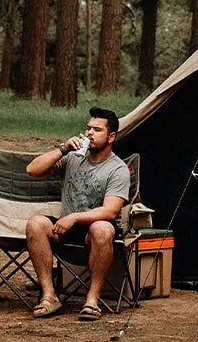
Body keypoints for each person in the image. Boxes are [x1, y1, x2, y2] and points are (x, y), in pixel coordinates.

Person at [23, 106, 130, 321]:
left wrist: (74, 217)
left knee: (101, 227)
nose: (89, 133)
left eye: (96, 130)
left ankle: (92, 300)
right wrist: (63, 149)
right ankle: (49, 295)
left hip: (94, 232)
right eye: (88, 128)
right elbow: (32, 170)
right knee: (35, 223)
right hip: (65, 228)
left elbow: (110, 211)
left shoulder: (117, 169)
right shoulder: (73, 158)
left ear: (111, 137)